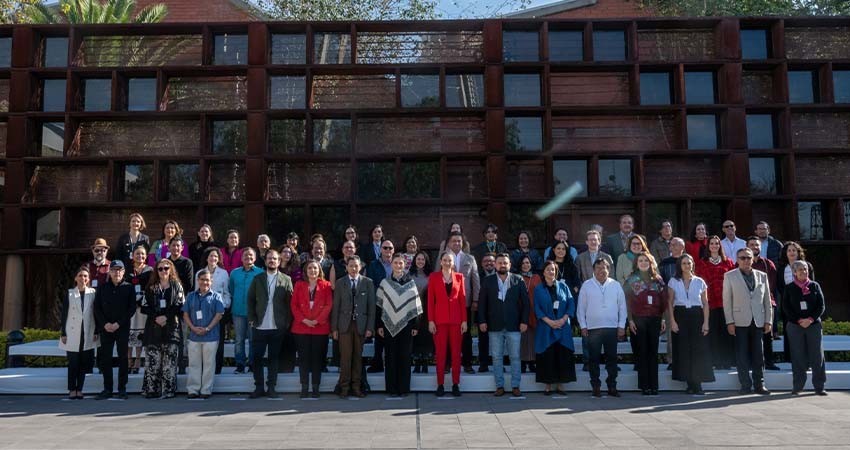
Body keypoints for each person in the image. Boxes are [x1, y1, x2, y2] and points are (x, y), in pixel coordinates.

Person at [478, 253, 530, 397]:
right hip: (494, 325)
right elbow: (482, 303)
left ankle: (515, 386)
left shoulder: (518, 279)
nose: (502, 265)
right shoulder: (488, 281)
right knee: (496, 357)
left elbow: (526, 303)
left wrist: (524, 321)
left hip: (514, 325)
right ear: (495, 264)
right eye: (500, 262)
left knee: (515, 356)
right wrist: (482, 321)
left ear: (510, 265)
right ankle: (499, 386)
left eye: (505, 263)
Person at [722, 248, 773, 395]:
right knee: (742, 355)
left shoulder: (762, 276)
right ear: (737, 259)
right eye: (742, 258)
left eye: (748, 258)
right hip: (739, 321)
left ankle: (759, 384)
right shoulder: (729, 276)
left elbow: (767, 301)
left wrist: (768, 320)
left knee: (759, 354)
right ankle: (745, 384)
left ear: (752, 259)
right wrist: (729, 322)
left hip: (758, 320)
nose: (745, 260)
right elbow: (727, 301)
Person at [246, 250, 294, 399]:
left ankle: (271, 387)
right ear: (265, 261)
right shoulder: (257, 279)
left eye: (274, 259)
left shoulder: (286, 279)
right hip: (260, 325)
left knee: (274, 358)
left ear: (279, 261)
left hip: (277, 326)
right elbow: (250, 300)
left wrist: (287, 322)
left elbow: (290, 303)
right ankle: (259, 387)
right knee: (257, 358)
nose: (272, 261)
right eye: (269, 259)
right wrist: (252, 318)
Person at [577, 257, 627, 397]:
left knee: (612, 359)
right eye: (598, 268)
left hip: (612, 328)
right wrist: (583, 326)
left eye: (604, 267)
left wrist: (621, 326)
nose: (601, 270)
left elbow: (622, 307)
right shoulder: (587, 285)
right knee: (594, 359)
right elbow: (581, 308)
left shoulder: (616, 285)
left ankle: (612, 386)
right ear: (593, 270)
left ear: (608, 269)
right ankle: (596, 386)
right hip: (593, 329)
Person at [377, 253, 423, 397]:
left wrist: (415, 326)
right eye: (395, 263)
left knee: (404, 356)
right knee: (390, 356)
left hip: (407, 326)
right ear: (392, 265)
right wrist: (379, 325)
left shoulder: (411, 283)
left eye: (400, 263)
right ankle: (391, 388)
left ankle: (403, 388)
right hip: (388, 324)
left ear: (405, 265)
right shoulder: (385, 283)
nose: (398, 265)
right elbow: (379, 305)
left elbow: (416, 307)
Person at [668, 254, 714, 394]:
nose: (687, 266)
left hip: (697, 316)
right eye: (684, 263)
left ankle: (698, 383)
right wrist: (673, 321)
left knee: (698, 350)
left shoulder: (700, 281)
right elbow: (670, 303)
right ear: (679, 266)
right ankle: (689, 383)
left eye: (689, 263)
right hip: (680, 316)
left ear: (693, 264)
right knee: (683, 350)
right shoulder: (673, 281)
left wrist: (706, 322)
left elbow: (705, 303)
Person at [332, 256, 376, 398]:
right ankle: (344, 387)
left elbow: (371, 307)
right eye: (351, 266)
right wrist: (334, 329)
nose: (353, 268)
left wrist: (370, 327)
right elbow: (336, 307)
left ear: (360, 267)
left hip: (361, 326)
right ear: (346, 267)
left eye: (356, 266)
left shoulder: (368, 283)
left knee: (358, 358)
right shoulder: (340, 283)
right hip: (344, 326)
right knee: (345, 358)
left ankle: (356, 386)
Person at [141, 258, 185, 399]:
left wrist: (166, 317)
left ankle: (168, 390)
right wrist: (156, 317)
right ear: (156, 271)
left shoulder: (177, 285)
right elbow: (144, 306)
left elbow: (180, 305)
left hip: (171, 328)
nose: (163, 271)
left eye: (166, 268)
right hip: (153, 329)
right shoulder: (151, 287)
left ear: (171, 269)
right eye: (160, 269)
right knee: (153, 363)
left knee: (169, 363)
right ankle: (152, 390)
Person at [781, 261, 827, 396]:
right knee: (797, 356)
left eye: (805, 269)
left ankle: (819, 386)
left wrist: (810, 319)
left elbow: (821, 306)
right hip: (795, 326)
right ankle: (798, 386)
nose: (804, 272)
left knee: (817, 356)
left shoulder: (815, 285)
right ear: (794, 272)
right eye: (800, 270)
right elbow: (786, 307)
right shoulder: (789, 288)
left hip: (813, 325)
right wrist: (798, 320)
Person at [624, 252, 667, 395]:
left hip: (655, 319)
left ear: (650, 263)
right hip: (638, 319)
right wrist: (630, 320)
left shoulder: (658, 280)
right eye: (640, 260)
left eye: (646, 261)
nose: (643, 263)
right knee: (642, 352)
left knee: (653, 352)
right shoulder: (631, 280)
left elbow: (663, 301)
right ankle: (644, 386)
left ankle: (654, 385)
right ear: (636, 263)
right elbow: (627, 302)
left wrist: (662, 319)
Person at [93, 260, 136, 400]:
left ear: (123, 272)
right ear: (109, 272)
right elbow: (97, 308)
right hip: (106, 329)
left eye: (119, 270)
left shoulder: (129, 288)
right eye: (114, 270)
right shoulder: (102, 287)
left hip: (122, 328)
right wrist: (105, 324)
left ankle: (122, 389)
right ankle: (107, 388)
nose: (116, 272)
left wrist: (118, 324)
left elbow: (131, 309)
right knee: (105, 359)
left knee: (123, 358)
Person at [428, 251, 468, 397]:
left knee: (456, 353)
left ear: (453, 263)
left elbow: (462, 300)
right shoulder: (433, 277)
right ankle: (440, 384)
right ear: (441, 262)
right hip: (439, 322)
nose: (447, 263)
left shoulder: (459, 277)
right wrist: (431, 321)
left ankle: (456, 384)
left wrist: (464, 320)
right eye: (445, 260)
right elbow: (430, 301)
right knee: (440, 354)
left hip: (457, 322)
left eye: (450, 260)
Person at [534, 260, 576, 395]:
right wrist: (549, 322)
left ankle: (560, 385)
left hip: (562, 327)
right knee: (548, 356)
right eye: (548, 269)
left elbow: (571, 304)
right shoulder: (538, 289)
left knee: (561, 355)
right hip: (546, 327)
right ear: (543, 272)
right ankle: (548, 385)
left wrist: (563, 319)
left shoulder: (564, 287)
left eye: (553, 270)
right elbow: (537, 308)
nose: (551, 272)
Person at [291, 260, 333, 398]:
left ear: (319, 270)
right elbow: (294, 305)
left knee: (317, 359)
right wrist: (304, 320)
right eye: (310, 268)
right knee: (303, 359)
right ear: (305, 271)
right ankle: (304, 387)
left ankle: (315, 387)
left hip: (319, 328)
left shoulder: (326, 285)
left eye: (315, 268)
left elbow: (328, 305)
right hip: (301, 328)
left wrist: (317, 320)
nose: (312, 270)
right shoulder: (299, 284)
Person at [182, 269, 225, 399]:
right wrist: (193, 328)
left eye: (207, 280)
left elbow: (219, 314)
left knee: (209, 364)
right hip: (194, 336)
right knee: (194, 364)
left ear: (211, 281)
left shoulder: (216, 296)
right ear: (198, 281)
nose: (204, 282)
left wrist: (207, 328)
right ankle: (193, 389)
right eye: (202, 279)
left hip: (210, 336)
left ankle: (206, 389)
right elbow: (185, 314)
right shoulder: (191, 296)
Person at [695, 235, 736, 370]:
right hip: (710, 303)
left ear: (720, 246)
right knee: (713, 333)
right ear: (708, 246)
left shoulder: (728, 262)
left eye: (716, 243)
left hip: (726, 303)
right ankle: (715, 361)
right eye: (711, 243)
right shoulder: (702, 263)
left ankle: (727, 361)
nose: (714, 245)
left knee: (726, 332)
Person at [60, 266, 98, 400]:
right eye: (80, 276)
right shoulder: (70, 293)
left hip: (87, 332)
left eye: (85, 276)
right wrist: (63, 333)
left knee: (83, 362)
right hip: (72, 332)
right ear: (76, 278)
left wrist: (96, 331)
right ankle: (72, 389)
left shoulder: (93, 292)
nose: (83, 278)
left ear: (89, 279)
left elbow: (96, 313)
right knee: (73, 362)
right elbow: (64, 314)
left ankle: (79, 389)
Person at [775, 241, 815, 361]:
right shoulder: (782, 269)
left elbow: (812, 285)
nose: (791, 252)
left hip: (806, 305)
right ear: (785, 253)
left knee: (806, 332)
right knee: (790, 332)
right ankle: (790, 358)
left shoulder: (807, 265)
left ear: (798, 252)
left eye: (794, 250)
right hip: (789, 305)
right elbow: (780, 286)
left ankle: (807, 359)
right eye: (789, 250)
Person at [746, 236, 780, 371]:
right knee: (750, 334)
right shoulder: (742, 264)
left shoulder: (768, 264)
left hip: (766, 303)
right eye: (752, 244)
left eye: (757, 245)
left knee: (767, 333)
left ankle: (769, 362)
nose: (755, 247)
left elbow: (771, 285)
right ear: (747, 247)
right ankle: (751, 362)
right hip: (748, 304)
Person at [196, 247, 231, 375]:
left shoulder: (224, 273)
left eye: (216, 256)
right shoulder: (200, 272)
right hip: (203, 312)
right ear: (206, 258)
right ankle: (205, 368)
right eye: (211, 256)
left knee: (218, 340)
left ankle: (217, 369)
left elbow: (227, 292)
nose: (213, 258)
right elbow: (196, 293)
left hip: (218, 312)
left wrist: (225, 305)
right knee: (204, 341)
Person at [229, 248, 263, 374]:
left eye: (250, 255)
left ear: (254, 258)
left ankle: (252, 364)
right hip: (238, 311)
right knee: (239, 339)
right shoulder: (234, 273)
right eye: (245, 255)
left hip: (254, 313)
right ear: (241, 258)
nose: (248, 257)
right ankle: (240, 364)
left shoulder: (260, 273)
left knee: (253, 339)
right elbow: (231, 289)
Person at [366, 239, 395, 373]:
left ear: (393, 250)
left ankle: (390, 363)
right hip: (379, 302)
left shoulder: (397, 264)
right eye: (385, 248)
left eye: (390, 248)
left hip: (395, 304)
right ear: (380, 250)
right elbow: (371, 283)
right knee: (379, 333)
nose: (387, 251)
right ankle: (378, 362)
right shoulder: (373, 265)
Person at [125, 246, 152, 375]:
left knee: (140, 332)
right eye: (137, 254)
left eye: (142, 254)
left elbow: (151, 288)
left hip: (142, 306)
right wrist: (131, 302)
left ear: (146, 256)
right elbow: (124, 286)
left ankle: (137, 360)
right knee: (129, 333)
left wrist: (140, 302)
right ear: (133, 255)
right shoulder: (127, 270)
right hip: (129, 306)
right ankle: (128, 360)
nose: (139, 256)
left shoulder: (150, 270)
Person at [410, 251, 433, 373]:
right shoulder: (409, 275)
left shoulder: (431, 276)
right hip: (413, 310)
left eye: (423, 259)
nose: (420, 261)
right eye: (418, 259)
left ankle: (425, 362)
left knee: (425, 336)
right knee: (416, 336)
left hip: (427, 310)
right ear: (415, 261)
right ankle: (417, 362)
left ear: (426, 261)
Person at [517, 255, 541, 373]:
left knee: (532, 338)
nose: (525, 265)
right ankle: (522, 363)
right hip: (520, 312)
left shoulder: (537, 277)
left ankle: (532, 363)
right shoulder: (516, 277)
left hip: (534, 311)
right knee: (522, 339)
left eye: (527, 263)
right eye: (523, 263)